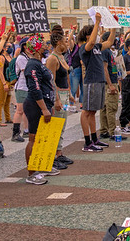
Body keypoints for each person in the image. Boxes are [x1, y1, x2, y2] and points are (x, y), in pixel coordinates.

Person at [21, 35, 60, 185]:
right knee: (33, 138)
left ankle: (43, 166)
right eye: (43, 45)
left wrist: (50, 104)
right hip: (35, 105)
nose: (46, 46)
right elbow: (35, 88)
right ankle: (31, 173)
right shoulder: (32, 65)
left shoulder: (39, 63)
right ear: (37, 49)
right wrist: (44, 109)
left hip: (44, 104)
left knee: (43, 138)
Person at [78, 14, 115, 151]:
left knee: (93, 112)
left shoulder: (97, 48)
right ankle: (87, 142)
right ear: (88, 36)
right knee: (86, 111)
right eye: (95, 32)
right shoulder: (84, 48)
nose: (98, 35)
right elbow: (92, 42)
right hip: (91, 82)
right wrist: (97, 22)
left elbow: (109, 42)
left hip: (99, 81)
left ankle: (94, 139)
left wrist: (113, 27)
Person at [45, 31, 74, 169]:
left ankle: (59, 152)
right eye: (65, 41)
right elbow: (51, 81)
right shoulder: (52, 59)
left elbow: (66, 77)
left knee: (62, 124)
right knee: (55, 125)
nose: (67, 44)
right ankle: (52, 155)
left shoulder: (62, 56)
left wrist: (70, 93)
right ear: (58, 43)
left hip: (65, 94)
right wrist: (56, 99)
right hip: (58, 95)